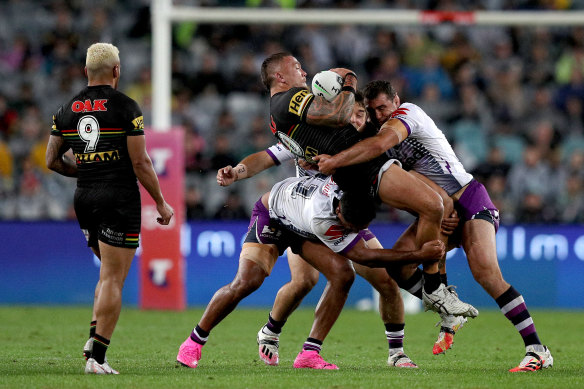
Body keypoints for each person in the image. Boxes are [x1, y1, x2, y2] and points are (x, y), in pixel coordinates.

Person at [315, 80, 553, 372]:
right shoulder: (379, 135)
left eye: (382, 108)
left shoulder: (407, 115)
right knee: (399, 267)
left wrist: (334, 161)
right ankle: (448, 309)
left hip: (470, 200)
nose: (378, 115)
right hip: (440, 207)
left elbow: (378, 144)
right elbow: (413, 184)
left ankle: (537, 350)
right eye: (373, 110)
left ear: (396, 100)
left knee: (485, 273)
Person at [217, 93, 462, 368]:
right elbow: (266, 157)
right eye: (352, 114)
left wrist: (441, 208)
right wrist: (237, 172)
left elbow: (401, 182)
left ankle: (396, 353)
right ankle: (271, 331)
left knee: (386, 282)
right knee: (303, 282)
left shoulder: (369, 143)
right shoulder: (313, 136)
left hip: (346, 218)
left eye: (361, 114)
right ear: (341, 115)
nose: (356, 119)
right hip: (305, 219)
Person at [260, 52, 476, 319]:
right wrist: (349, 82)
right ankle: (434, 290)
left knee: (439, 203)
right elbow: (338, 115)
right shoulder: (288, 99)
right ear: (279, 77)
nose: (303, 72)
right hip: (362, 169)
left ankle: (432, 291)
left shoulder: (280, 113)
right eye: (296, 67)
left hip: (355, 173)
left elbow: (315, 138)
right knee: (432, 206)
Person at [177, 173, 445, 370]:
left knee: (344, 276)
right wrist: (420, 255)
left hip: (302, 218)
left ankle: (309, 353)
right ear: (339, 211)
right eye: (349, 227)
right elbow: (366, 256)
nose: (353, 231)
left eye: (357, 228)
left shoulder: (353, 193)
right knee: (248, 281)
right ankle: (193, 342)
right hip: (275, 215)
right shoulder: (322, 219)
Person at [45, 43, 174, 375]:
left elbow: (51, 160)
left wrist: (86, 170)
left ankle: (92, 343)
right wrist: (160, 201)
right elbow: (141, 162)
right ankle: (98, 357)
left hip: (85, 197)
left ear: (86, 71)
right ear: (117, 70)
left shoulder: (65, 109)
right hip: (118, 197)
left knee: (106, 274)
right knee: (115, 278)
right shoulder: (126, 107)